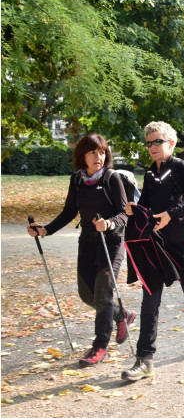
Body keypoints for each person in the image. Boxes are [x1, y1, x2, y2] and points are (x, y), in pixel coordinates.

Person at [121, 121, 184, 382]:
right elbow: (147, 203)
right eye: (149, 142)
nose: (152, 146)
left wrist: (171, 215)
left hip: (183, 244)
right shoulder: (150, 173)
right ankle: (144, 359)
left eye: (158, 141)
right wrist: (135, 209)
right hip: (157, 246)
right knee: (150, 300)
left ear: (170, 143)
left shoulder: (179, 167)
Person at [27, 134, 133, 368]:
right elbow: (69, 212)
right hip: (87, 242)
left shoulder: (111, 178)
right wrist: (45, 230)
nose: (99, 157)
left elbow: (124, 213)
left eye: (102, 152)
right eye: (93, 152)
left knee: (103, 295)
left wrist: (110, 223)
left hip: (111, 242)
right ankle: (121, 314)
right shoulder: (77, 180)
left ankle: (100, 346)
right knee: (87, 295)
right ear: (82, 156)